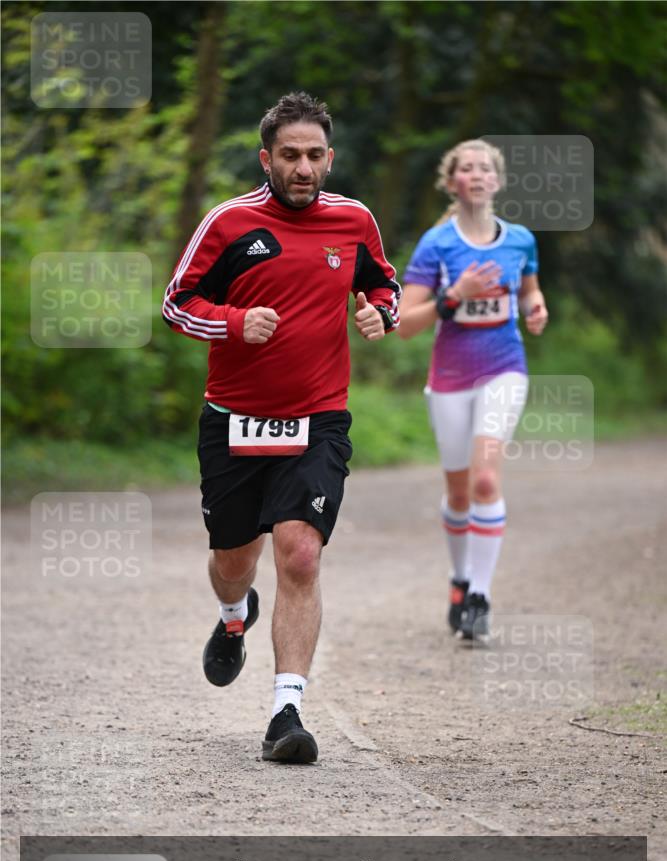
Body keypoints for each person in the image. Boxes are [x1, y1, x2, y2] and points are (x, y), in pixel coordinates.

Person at [163, 92, 400, 763]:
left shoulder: (353, 220)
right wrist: (237, 322)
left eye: (314, 155)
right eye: (289, 155)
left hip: (318, 417)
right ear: (266, 158)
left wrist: (379, 314)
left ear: (330, 158)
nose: (303, 167)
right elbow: (177, 305)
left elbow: (382, 283)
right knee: (233, 561)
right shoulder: (229, 222)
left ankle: (285, 713)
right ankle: (234, 616)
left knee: (299, 552)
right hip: (233, 421)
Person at [397, 139, 548, 640]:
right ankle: (460, 578)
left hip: (505, 367)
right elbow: (404, 325)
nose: (478, 175)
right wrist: (453, 296)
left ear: (497, 181)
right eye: (467, 168)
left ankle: (479, 596)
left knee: (486, 480)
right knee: (459, 493)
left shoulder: (521, 239)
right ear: (452, 182)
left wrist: (535, 309)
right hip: (450, 378)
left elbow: (528, 290)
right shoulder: (436, 244)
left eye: (486, 168)